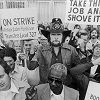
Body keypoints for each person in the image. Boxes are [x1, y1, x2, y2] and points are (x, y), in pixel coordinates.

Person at [28, 18, 100, 99]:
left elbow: (77, 70)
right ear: (49, 36)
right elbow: (31, 67)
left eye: (58, 35)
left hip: (66, 90)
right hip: (46, 90)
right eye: (53, 35)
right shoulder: (41, 50)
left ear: (63, 36)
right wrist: (31, 50)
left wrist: (93, 63)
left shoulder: (71, 50)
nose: (56, 38)